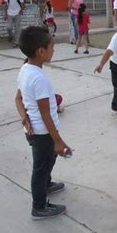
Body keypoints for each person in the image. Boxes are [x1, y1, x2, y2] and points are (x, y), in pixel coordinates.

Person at [15, 26, 72, 220]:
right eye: (52, 46)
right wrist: (58, 140)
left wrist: (23, 115)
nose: (53, 50)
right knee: (40, 168)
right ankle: (39, 207)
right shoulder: (39, 78)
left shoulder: (26, 69)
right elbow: (45, 112)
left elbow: (18, 99)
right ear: (41, 51)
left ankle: (46, 184)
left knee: (48, 161)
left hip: (35, 131)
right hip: (42, 133)